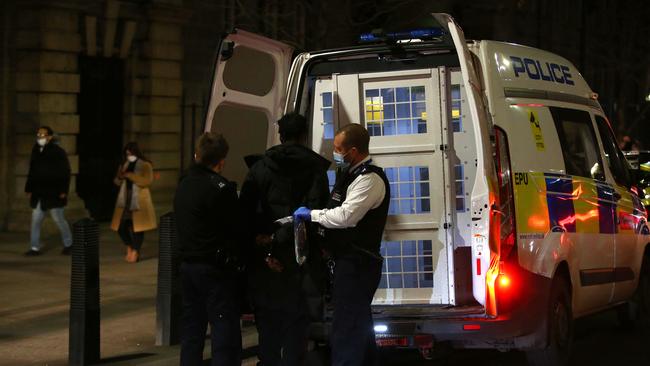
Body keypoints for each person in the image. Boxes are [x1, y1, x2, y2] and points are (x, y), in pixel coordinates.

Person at [293, 124, 390, 366]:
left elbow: (346, 217)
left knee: (346, 331)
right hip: (349, 263)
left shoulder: (369, 179)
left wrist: (312, 215)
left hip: (359, 264)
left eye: (338, 149)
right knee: (360, 329)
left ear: (353, 151)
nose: (335, 153)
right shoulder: (351, 175)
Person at [239, 113, 330, 366]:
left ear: (280, 135)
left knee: (268, 324)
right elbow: (317, 215)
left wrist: (265, 249)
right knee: (296, 324)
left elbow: (245, 214)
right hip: (301, 260)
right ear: (304, 136)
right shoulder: (316, 170)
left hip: (266, 261)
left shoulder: (259, 168)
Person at [174, 133, 242, 366]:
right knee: (223, 328)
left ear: (196, 155)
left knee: (192, 329)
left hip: (187, 266)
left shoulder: (183, 183)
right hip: (214, 267)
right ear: (221, 161)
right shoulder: (220, 188)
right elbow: (235, 228)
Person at [24, 126, 73, 256]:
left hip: (54, 192)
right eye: (38, 134)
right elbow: (32, 171)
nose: (40, 136)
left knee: (58, 219)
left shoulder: (58, 151)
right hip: (39, 193)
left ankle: (69, 244)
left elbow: (65, 172)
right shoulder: (36, 150)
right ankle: (34, 247)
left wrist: (63, 190)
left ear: (50, 137)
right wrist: (29, 188)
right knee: (35, 220)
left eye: (43, 134)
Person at [110, 142, 157, 263]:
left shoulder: (145, 165)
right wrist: (120, 177)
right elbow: (116, 182)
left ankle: (135, 251)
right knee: (121, 227)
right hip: (125, 199)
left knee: (138, 228)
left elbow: (147, 181)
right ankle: (129, 246)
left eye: (131, 153)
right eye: (127, 153)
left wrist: (131, 176)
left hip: (139, 200)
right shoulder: (124, 165)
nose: (129, 156)